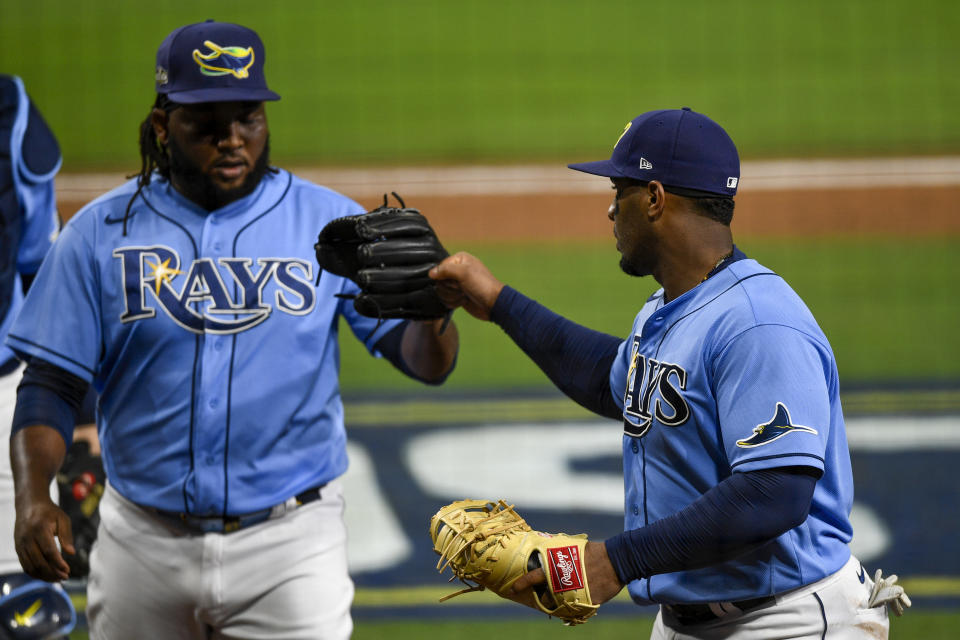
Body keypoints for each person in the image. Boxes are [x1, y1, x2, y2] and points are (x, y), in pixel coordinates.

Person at [6, 20, 458, 640]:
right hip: (141, 542)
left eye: (248, 118)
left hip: (291, 549)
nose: (233, 140)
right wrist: (33, 496)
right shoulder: (99, 232)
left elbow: (425, 364)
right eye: (207, 124)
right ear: (164, 126)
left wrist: (433, 307)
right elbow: (50, 385)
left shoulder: (331, 227)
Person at [430, 107, 907, 638]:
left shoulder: (758, 323)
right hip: (689, 621)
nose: (612, 210)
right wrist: (497, 302)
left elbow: (775, 492)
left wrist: (616, 561)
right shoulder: (670, 307)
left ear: (655, 199)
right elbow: (607, 378)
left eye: (620, 190)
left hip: (785, 619)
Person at [0, 73, 78, 639]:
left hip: (2, 395)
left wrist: (86, 409)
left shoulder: (10, 112)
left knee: (25, 617)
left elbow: (41, 272)